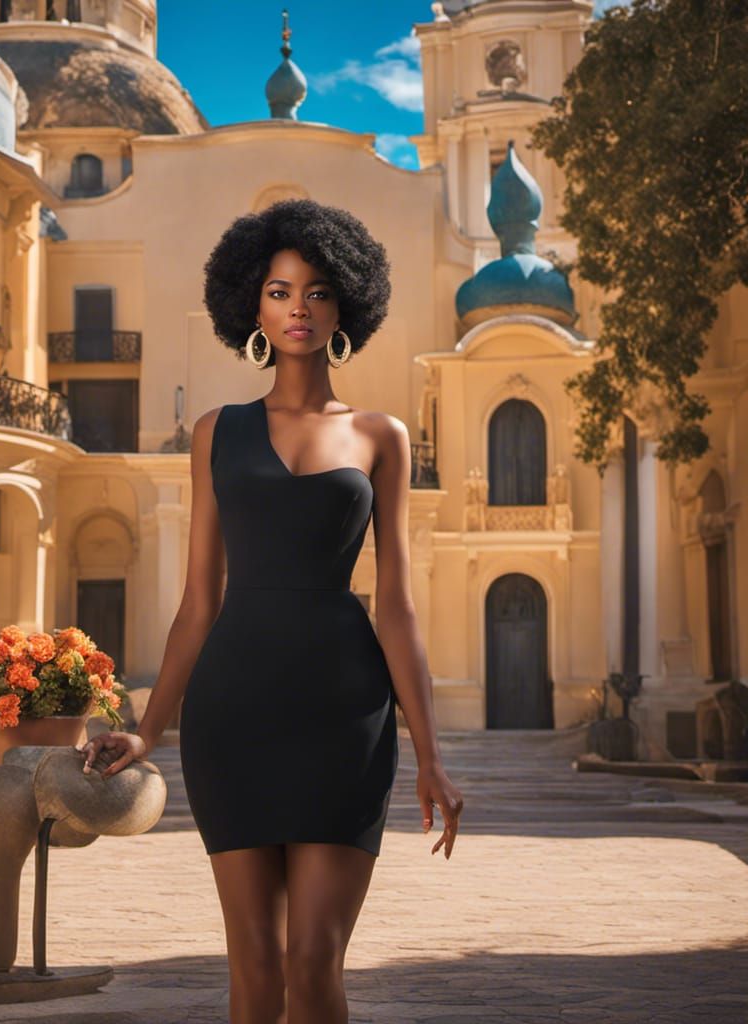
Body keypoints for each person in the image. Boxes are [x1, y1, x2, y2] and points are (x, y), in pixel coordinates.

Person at [81, 198, 464, 1024]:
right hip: (235, 713)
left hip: (344, 714)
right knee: (254, 965)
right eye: (281, 291)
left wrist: (430, 753)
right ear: (252, 305)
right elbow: (196, 603)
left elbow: (395, 606)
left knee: (315, 961)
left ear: (345, 307)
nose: (300, 309)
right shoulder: (216, 432)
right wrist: (150, 728)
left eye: (319, 292)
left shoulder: (380, 435)